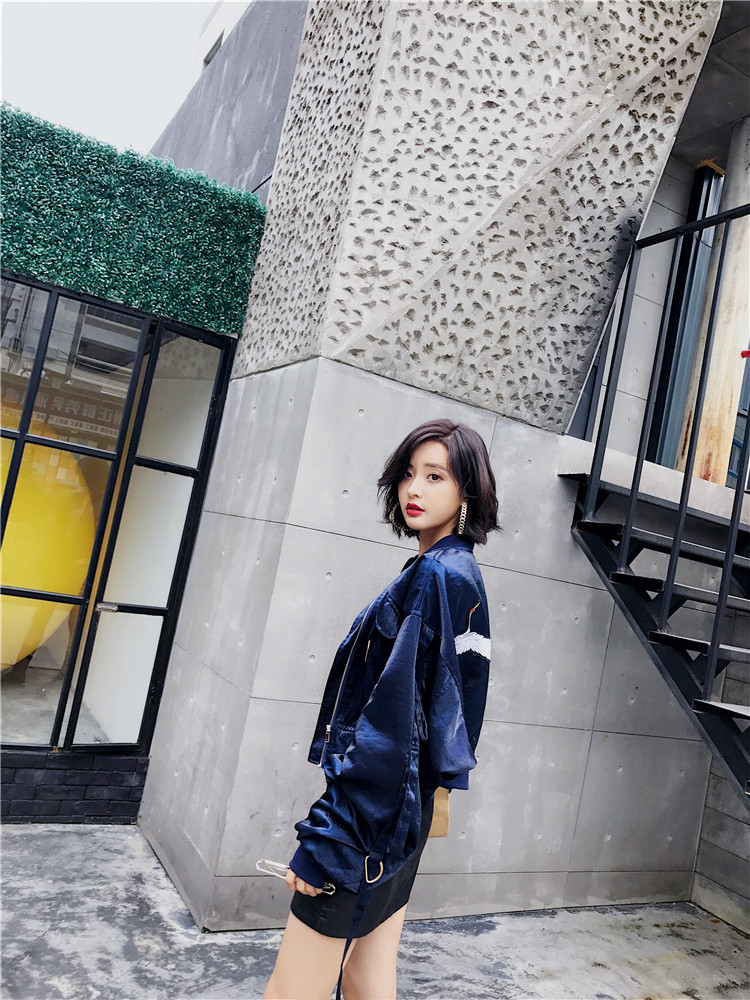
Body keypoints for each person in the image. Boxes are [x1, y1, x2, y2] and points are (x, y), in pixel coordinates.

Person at [263, 418, 499, 1000]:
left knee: (292, 992)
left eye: (435, 476)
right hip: (405, 823)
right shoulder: (461, 574)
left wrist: (328, 841)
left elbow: (391, 732)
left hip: (366, 829)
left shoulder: (435, 578)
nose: (413, 489)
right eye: (408, 474)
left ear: (467, 492)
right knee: (367, 976)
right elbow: (451, 721)